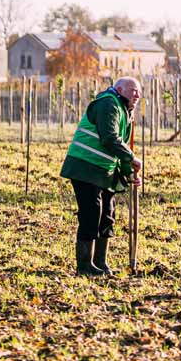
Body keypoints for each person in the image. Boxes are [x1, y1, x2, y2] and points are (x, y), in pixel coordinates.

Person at [60, 77, 143, 276]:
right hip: (85, 166)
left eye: (139, 92)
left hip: (103, 171)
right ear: (120, 89)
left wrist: (129, 173)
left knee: (107, 213)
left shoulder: (125, 113)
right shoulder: (108, 103)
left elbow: (120, 148)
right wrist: (132, 158)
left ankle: (100, 262)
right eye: (133, 90)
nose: (137, 95)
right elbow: (109, 138)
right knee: (91, 213)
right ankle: (84, 266)